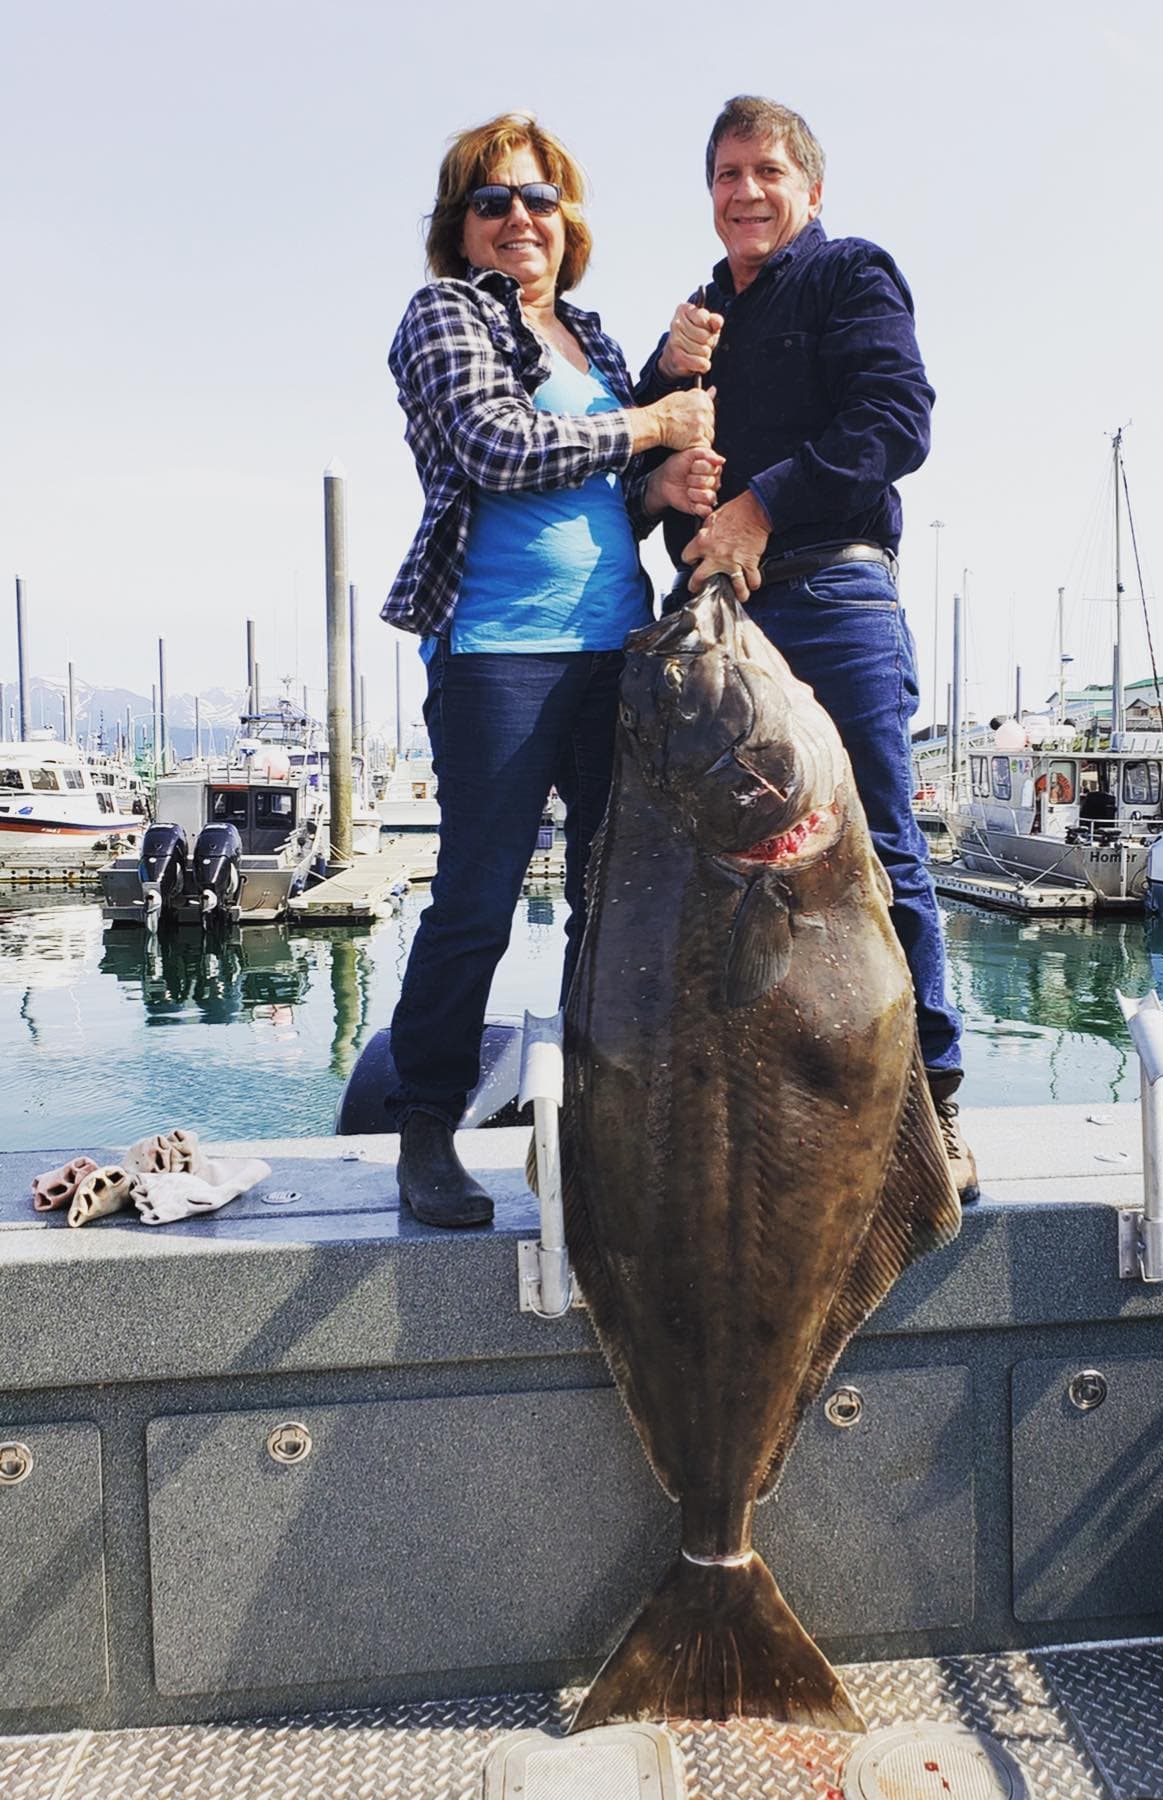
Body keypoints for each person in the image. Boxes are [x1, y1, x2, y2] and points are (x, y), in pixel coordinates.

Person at [636, 95, 977, 1200]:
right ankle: (773, 1118)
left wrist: (757, 508)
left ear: (810, 189)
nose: (744, 192)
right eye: (727, 175)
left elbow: (895, 419)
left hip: (830, 596)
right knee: (719, 878)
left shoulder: (851, 276)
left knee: (879, 848)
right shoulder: (693, 325)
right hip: (720, 624)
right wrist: (661, 410)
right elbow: (642, 479)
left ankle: (933, 1106)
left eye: (766, 172)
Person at [382, 114, 719, 1227]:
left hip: (614, 645)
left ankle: (600, 1119)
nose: (519, 218)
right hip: (496, 655)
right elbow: (496, 446)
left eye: (538, 200)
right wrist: (653, 423)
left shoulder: (592, 338)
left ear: (565, 222)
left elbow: (595, 489)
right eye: (494, 201)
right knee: (476, 900)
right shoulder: (443, 314)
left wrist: (653, 493)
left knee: (611, 897)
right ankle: (426, 1128)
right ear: (460, 226)